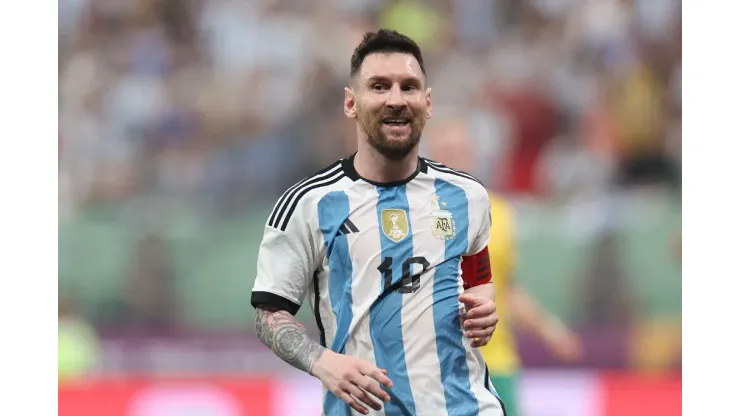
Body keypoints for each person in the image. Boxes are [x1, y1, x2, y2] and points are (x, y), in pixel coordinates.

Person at [250, 30, 505, 416]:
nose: (396, 100)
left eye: (409, 87)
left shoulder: (467, 196)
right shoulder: (308, 204)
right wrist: (321, 362)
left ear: (428, 102)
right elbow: (270, 314)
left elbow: (478, 278)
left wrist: (484, 308)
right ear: (352, 103)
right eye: (379, 87)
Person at [425, 116, 584, 416]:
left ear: (471, 153)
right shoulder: (414, 214)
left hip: (496, 362)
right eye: (444, 150)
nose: (453, 157)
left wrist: (551, 330)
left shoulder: (498, 212)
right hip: (436, 365)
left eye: (459, 149)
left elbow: (506, 287)